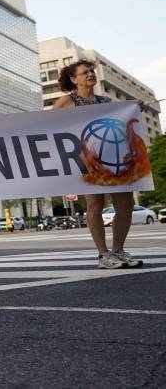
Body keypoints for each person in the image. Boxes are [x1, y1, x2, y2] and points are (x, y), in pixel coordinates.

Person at [52, 59, 143, 269]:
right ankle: (103, 255)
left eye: (91, 71)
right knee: (95, 204)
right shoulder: (66, 102)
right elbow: (47, 126)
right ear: (74, 79)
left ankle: (118, 250)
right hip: (86, 159)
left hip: (114, 158)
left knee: (125, 204)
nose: (90, 74)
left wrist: (132, 107)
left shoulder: (106, 101)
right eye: (85, 72)